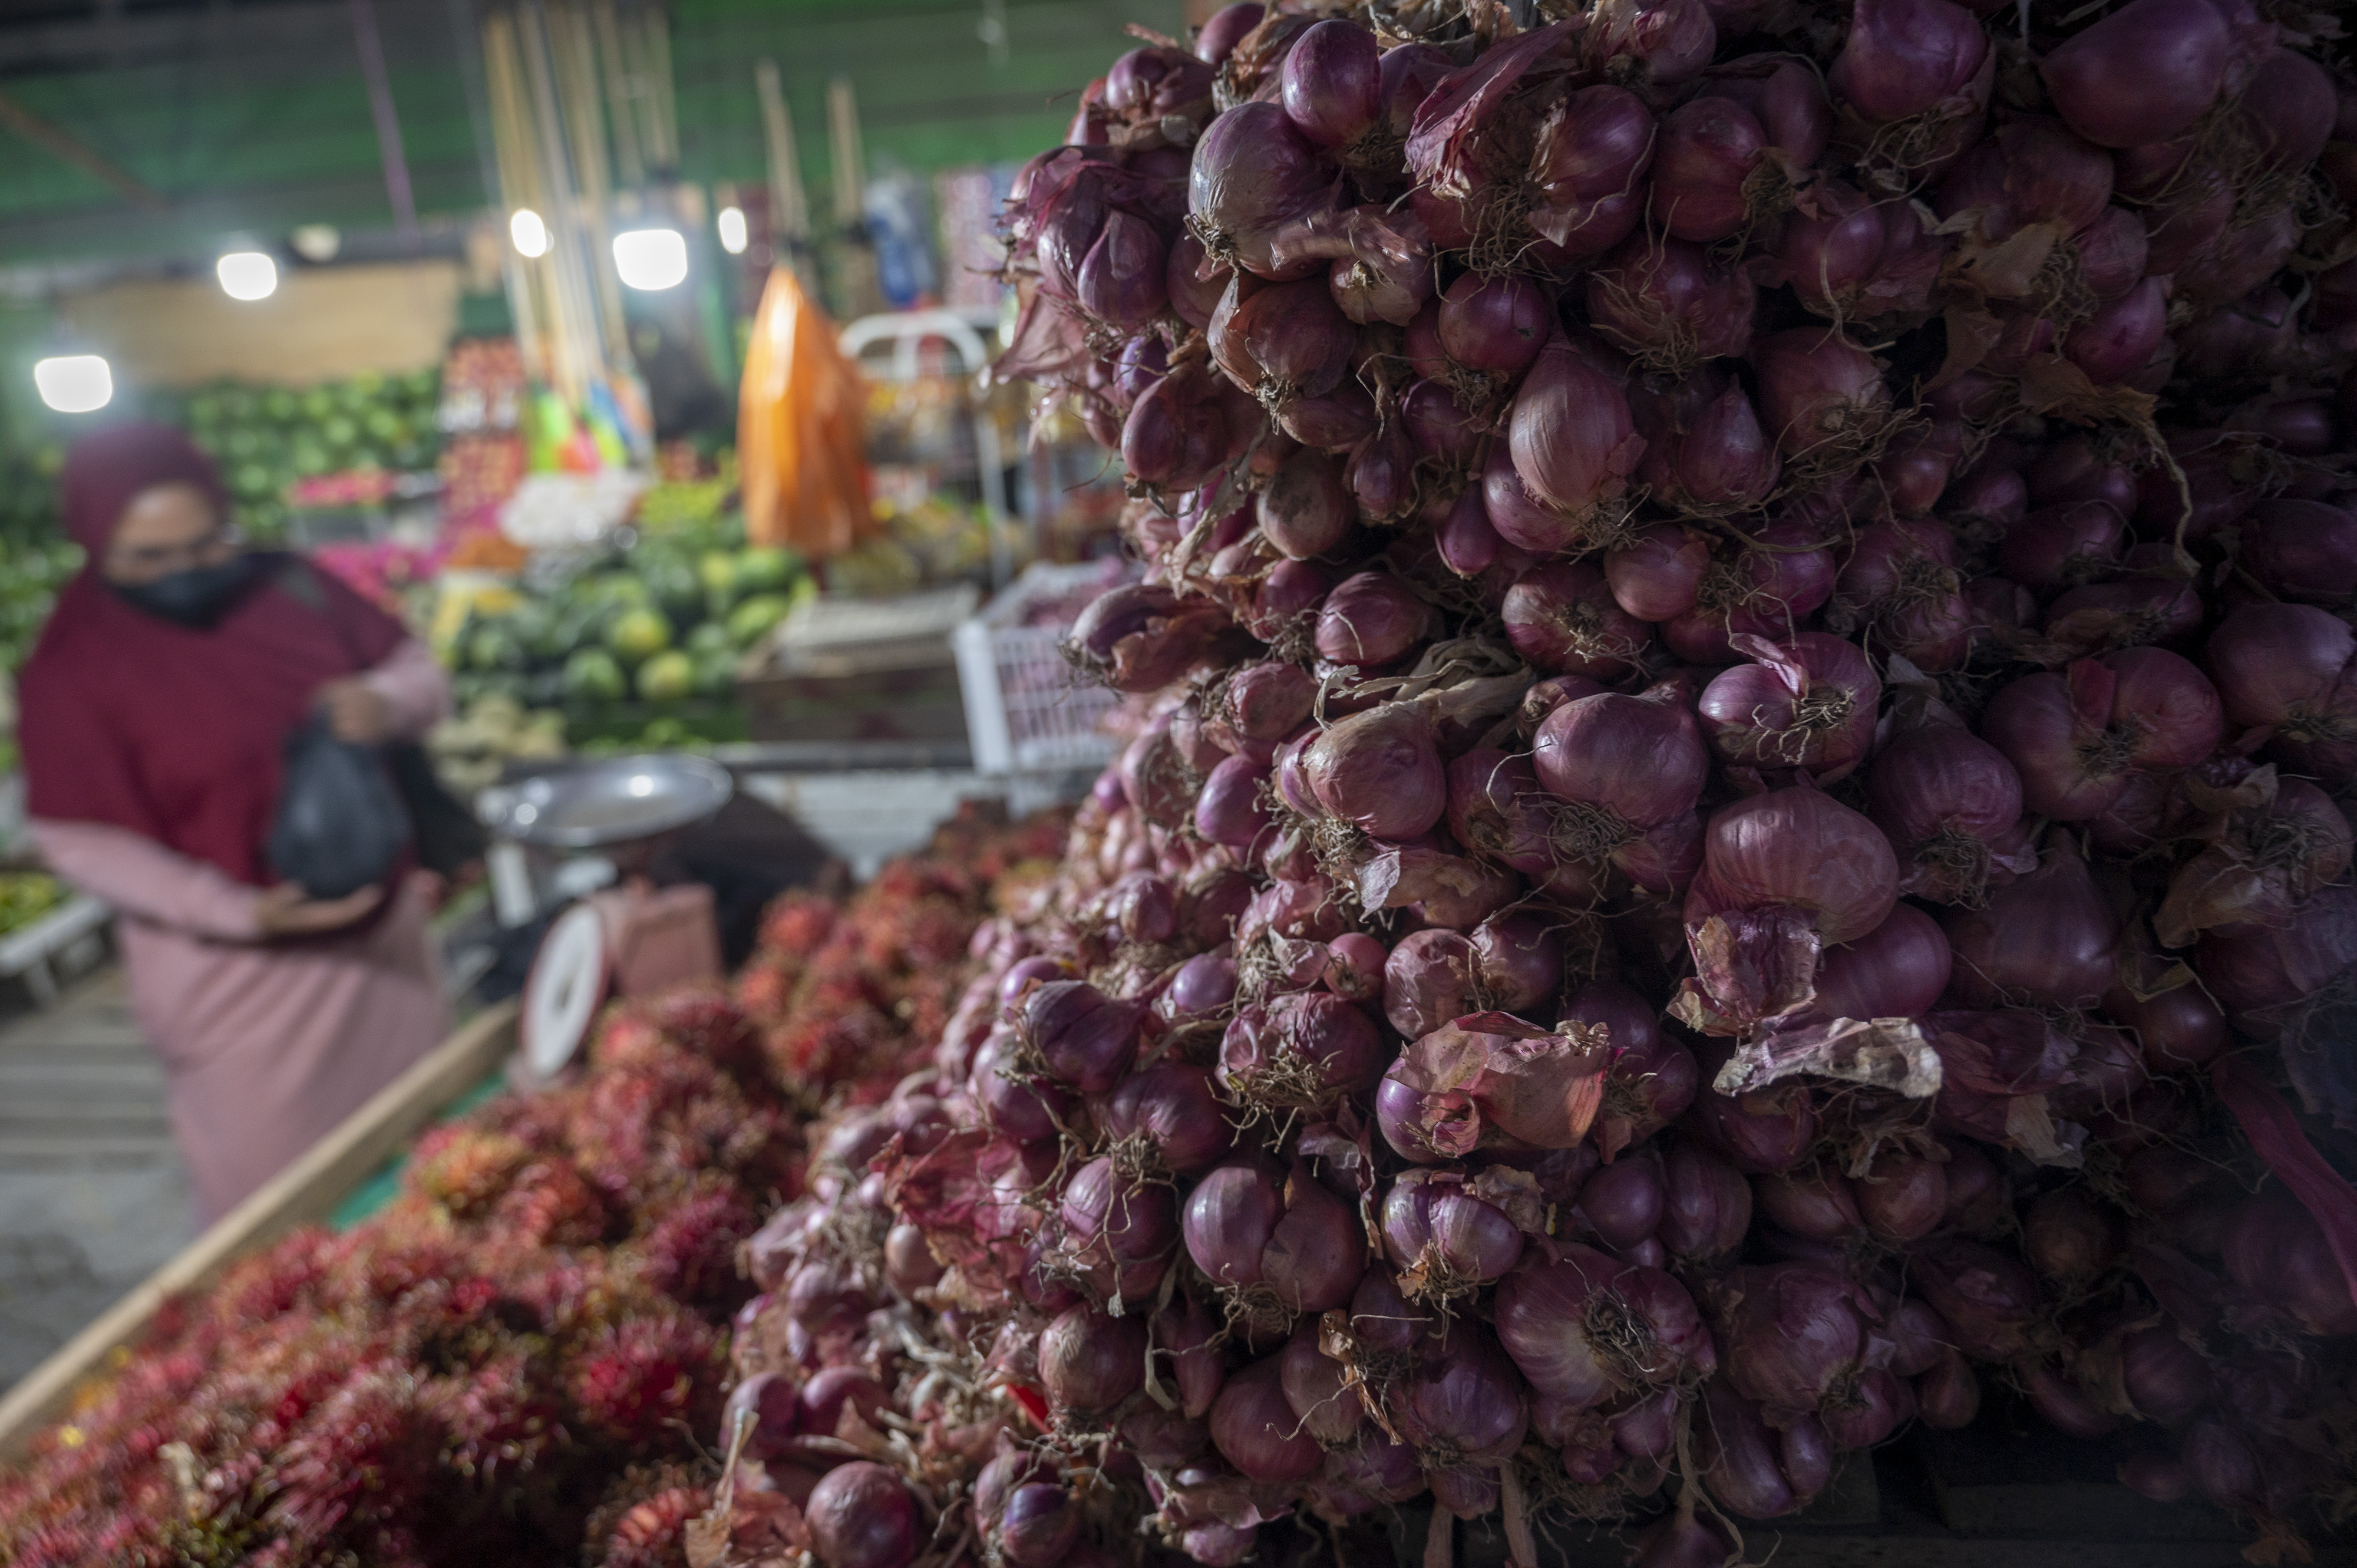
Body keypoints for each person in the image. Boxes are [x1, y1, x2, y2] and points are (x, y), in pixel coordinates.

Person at [16, 423, 452, 1226]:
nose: (183, 571)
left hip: (384, 954)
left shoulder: (289, 586)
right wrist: (240, 910)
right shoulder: (71, 668)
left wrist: (385, 702)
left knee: (432, 1177)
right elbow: (81, 838)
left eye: (203, 544)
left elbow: (418, 668)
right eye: (149, 557)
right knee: (288, 1224)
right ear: (95, 546)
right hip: (244, 989)